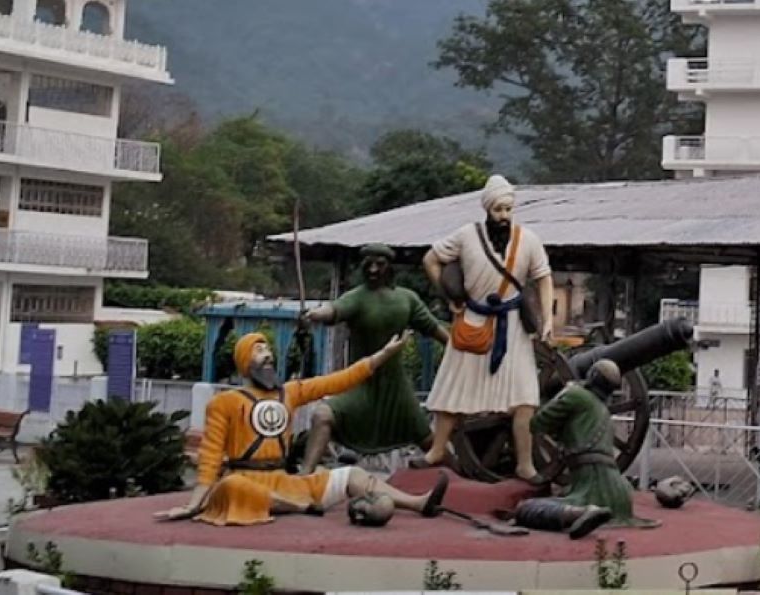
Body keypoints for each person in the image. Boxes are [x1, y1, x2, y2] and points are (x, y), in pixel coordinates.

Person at [154, 332, 448, 526]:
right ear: (244, 361)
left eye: (268, 349)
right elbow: (210, 457)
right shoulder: (224, 403)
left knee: (352, 475)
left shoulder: (290, 392)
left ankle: (417, 503)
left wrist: (383, 355)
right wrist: (194, 505)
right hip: (245, 480)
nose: (267, 354)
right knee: (231, 486)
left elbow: (340, 380)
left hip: (285, 481)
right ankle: (300, 508)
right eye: (258, 350)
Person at [412, 174, 554, 484]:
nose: (504, 216)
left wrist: (548, 321)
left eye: (508, 209)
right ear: (487, 209)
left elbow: (543, 277)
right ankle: (437, 449)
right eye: (498, 210)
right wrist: (451, 297)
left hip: (513, 327)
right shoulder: (466, 235)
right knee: (452, 388)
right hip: (474, 322)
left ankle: (525, 463)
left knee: (525, 397)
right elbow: (430, 260)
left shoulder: (528, 240)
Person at [301, 243, 449, 473]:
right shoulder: (357, 298)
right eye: (368, 265)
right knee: (322, 415)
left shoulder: (407, 299)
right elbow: (334, 310)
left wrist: (461, 348)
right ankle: (303, 478)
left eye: (379, 265)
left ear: (389, 267)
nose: (373, 270)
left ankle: (468, 479)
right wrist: (315, 314)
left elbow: (433, 328)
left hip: (396, 389)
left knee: (431, 443)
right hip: (361, 384)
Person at [509, 359, 656, 533]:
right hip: (620, 493)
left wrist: (564, 393)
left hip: (591, 490)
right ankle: (584, 512)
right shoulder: (603, 412)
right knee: (561, 497)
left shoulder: (575, 395)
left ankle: (582, 512)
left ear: (592, 376)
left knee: (526, 508)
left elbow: (537, 424)